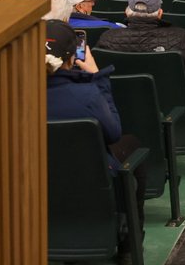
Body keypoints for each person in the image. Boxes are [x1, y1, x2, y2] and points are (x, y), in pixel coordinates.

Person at [44, 19, 148, 229]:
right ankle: (129, 243)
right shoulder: (87, 94)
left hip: (40, 179)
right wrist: (97, 77)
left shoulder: (14, 95)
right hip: (89, 179)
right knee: (131, 145)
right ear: (73, 57)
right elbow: (113, 133)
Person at [97, 0, 185, 90]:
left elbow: (96, 75)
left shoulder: (107, 39)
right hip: (170, 106)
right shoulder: (178, 38)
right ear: (160, 13)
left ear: (126, 12)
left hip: (118, 107)